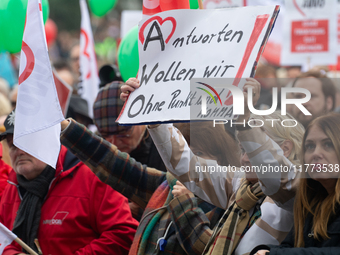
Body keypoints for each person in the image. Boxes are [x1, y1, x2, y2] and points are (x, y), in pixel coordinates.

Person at [122, 77, 303, 254]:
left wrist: (244, 120)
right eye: (242, 149)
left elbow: (274, 178)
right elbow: (186, 165)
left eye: (252, 147)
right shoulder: (242, 185)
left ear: (285, 148)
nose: (245, 159)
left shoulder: (300, 190)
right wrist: (153, 115)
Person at [60, 111, 241, 254]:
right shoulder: (166, 186)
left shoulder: (232, 203)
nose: (188, 164)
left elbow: (213, 249)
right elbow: (115, 165)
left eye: (199, 155)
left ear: (221, 159)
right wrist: (68, 129)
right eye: (183, 155)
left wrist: (186, 209)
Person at [0, 111, 138, 255]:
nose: (20, 151)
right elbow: (2, 239)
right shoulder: (12, 185)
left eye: (27, 142)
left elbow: (124, 234)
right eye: (13, 145)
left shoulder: (91, 176)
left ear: (51, 140)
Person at [253, 112, 340, 255]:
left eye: (328, 144)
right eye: (310, 146)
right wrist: (264, 251)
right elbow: (291, 245)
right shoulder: (312, 201)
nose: (316, 153)